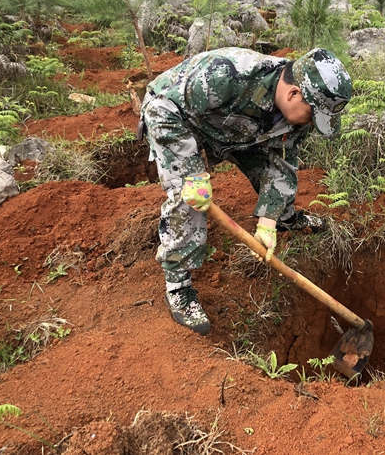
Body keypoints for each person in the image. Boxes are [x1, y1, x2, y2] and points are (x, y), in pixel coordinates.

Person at [139, 47, 352, 335]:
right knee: (190, 199)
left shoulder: (298, 109)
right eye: (313, 114)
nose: (312, 122)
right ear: (293, 94)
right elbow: (162, 109)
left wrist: (268, 222)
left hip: (238, 131)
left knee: (280, 180)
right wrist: (191, 174)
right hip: (177, 116)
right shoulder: (227, 74)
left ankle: (284, 218)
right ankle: (178, 286)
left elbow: (282, 160)